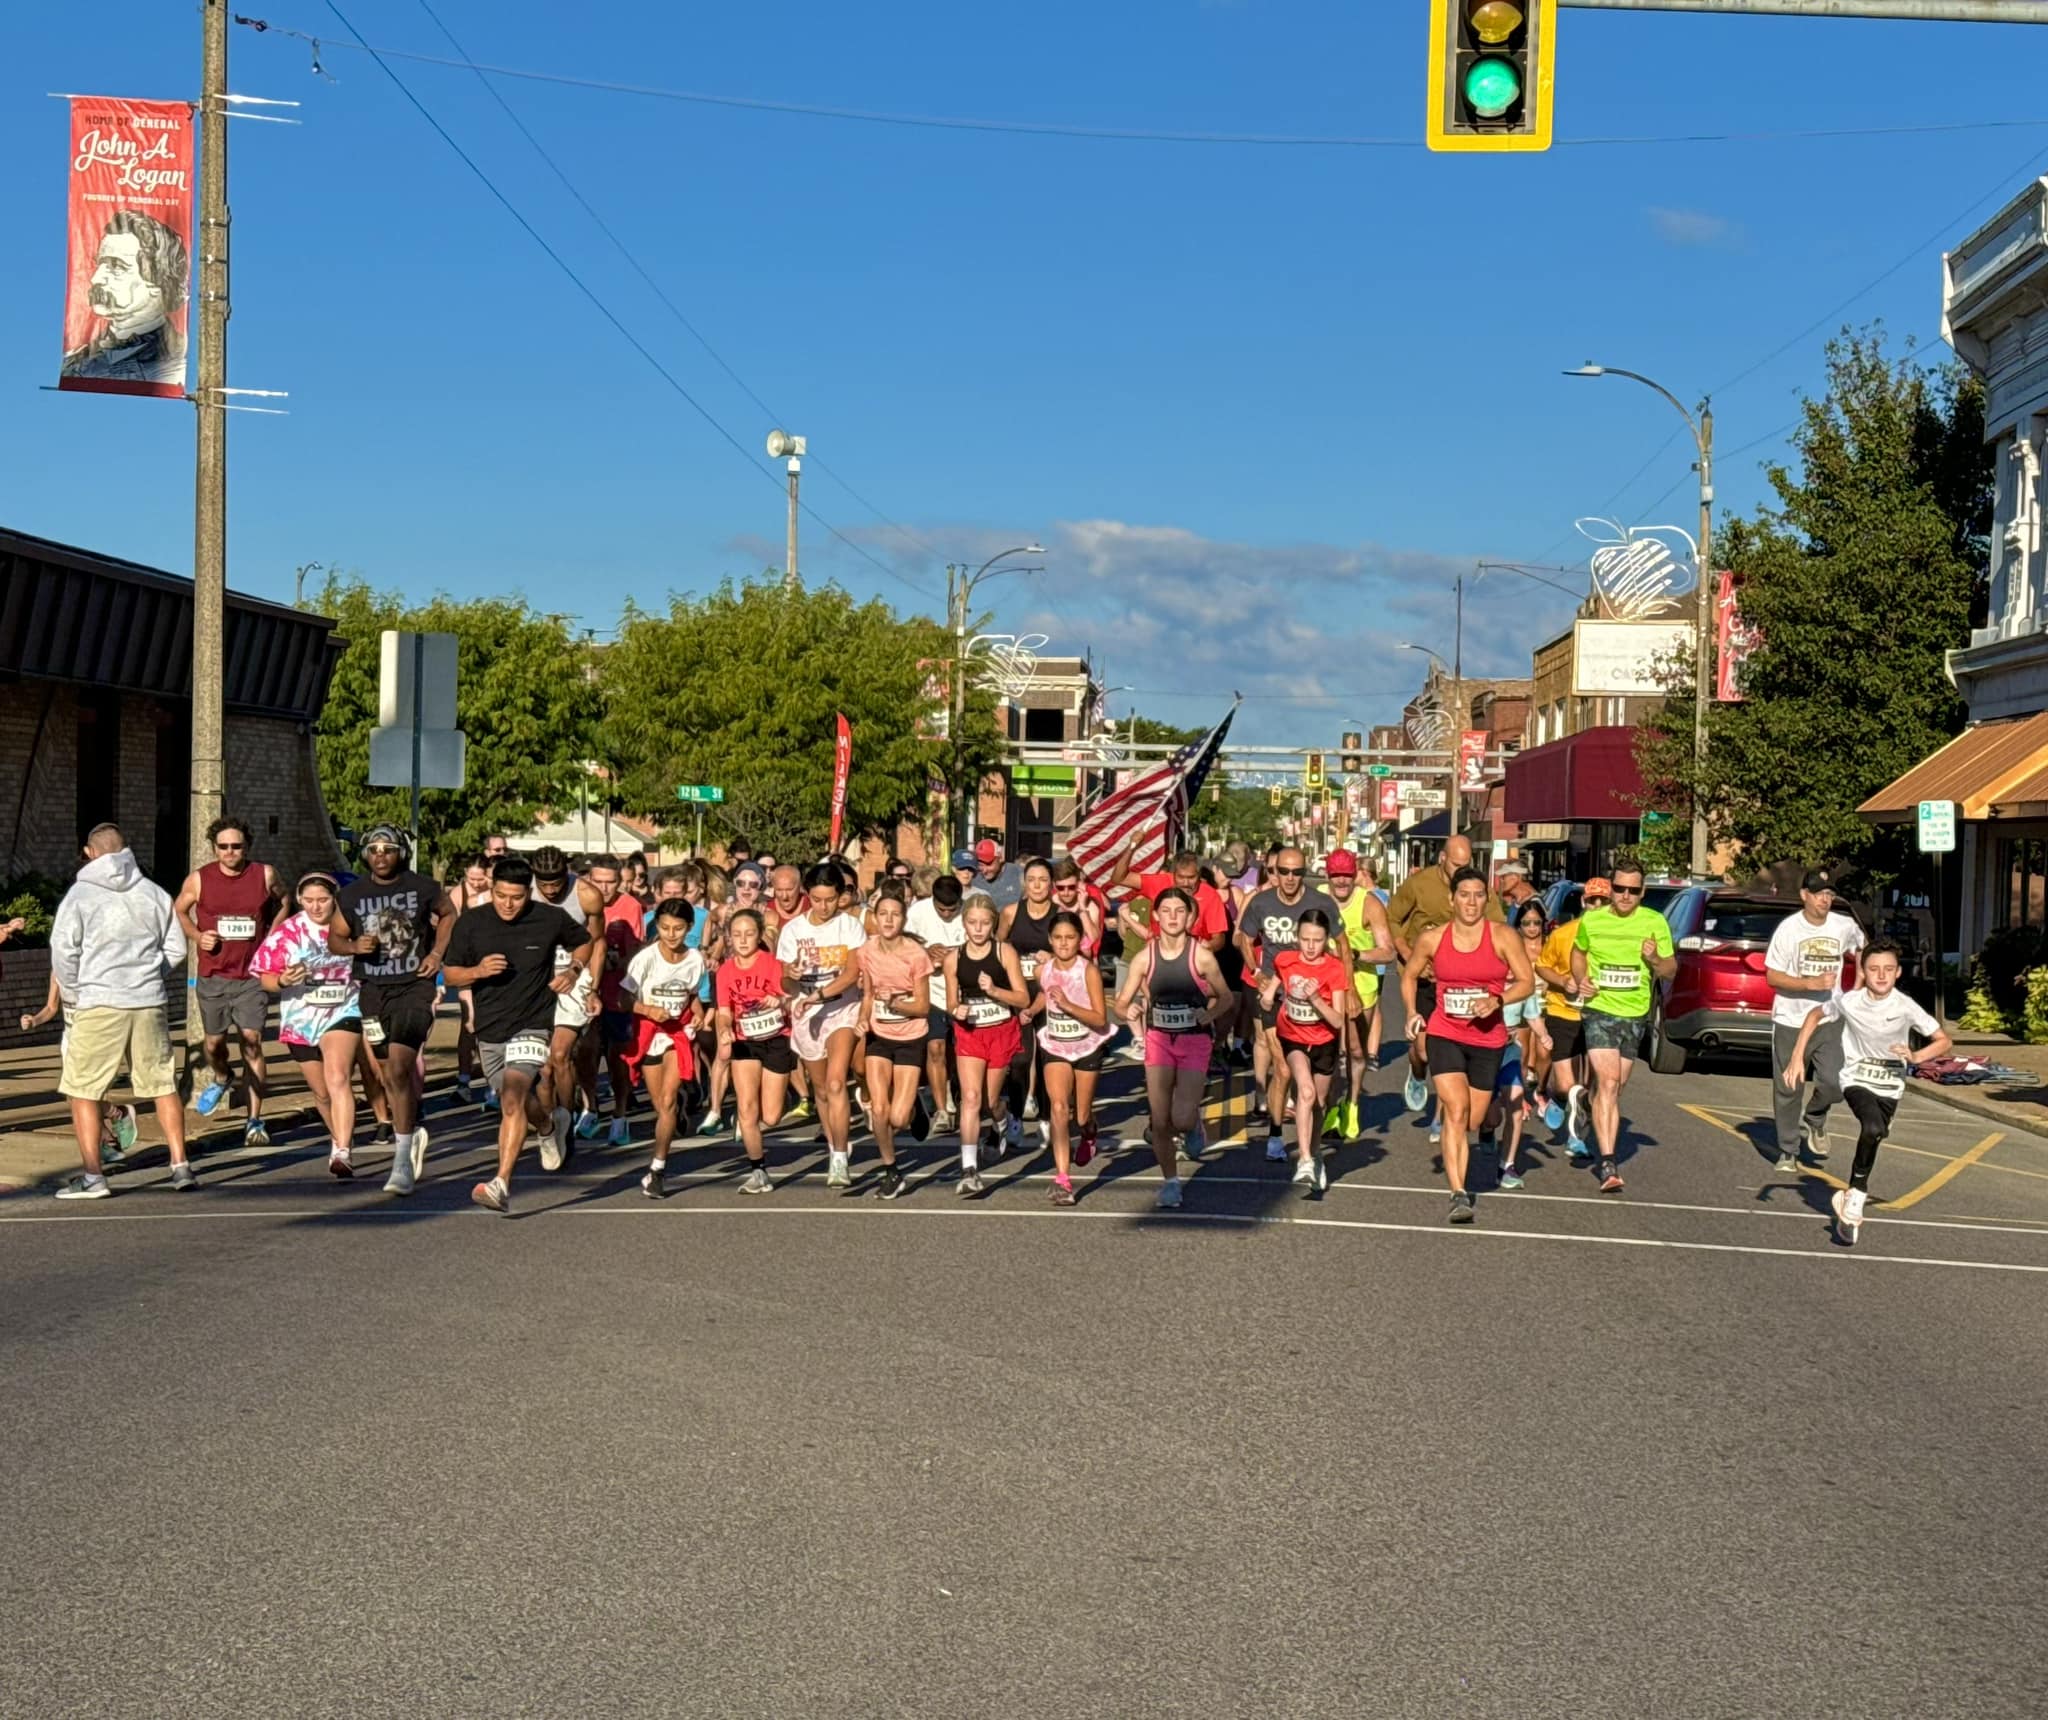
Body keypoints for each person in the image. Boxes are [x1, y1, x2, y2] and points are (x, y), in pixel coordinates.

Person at [49, 823, 194, 1199]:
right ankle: (180, 1164)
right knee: (162, 1083)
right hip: (147, 1000)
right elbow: (176, 948)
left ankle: (94, 1176)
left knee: (83, 1087)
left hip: (99, 999)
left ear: (90, 852)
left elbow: (63, 950)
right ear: (126, 849)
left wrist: (74, 992)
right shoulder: (152, 892)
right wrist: (150, 975)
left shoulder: (80, 895)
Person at [444, 855, 595, 1215]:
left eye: (516, 897)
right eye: (500, 896)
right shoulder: (472, 923)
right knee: (516, 1101)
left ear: (528, 893)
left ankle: (500, 1184)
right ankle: (548, 1124)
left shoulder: (549, 919)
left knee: (512, 1095)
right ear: (491, 890)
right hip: (491, 1027)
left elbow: (585, 941)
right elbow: (450, 975)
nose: (508, 904)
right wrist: (477, 971)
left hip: (534, 1021)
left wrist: (574, 970)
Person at [1782, 939, 1951, 1246]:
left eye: (1888, 969)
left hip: (1891, 1082)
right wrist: (1797, 1058)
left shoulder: (1905, 1006)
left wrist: (1915, 1057)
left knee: (1876, 1133)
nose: (1881, 976)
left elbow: (1943, 1040)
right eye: (1874, 969)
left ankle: (1847, 1206)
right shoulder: (1850, 1001)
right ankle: (1856, 1196)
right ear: (1863, 972)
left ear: (1899, 972)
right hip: (1856, 1076)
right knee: (1872, 1127)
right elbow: (1813, 1016)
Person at [1400, 866, 1535, 1224]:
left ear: (1486, 898)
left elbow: (1527, 982)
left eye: (1478, 895)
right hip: (1445, 1033)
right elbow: (1410, 974)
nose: (1471, 902)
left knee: (1474, 1119)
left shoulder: (1504, 936)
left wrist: (1498, 1001)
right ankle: (1458, 1192)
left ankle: (1484, 1130)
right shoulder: (1433, 939)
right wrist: (1412, 1012)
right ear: (1452, 899)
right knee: (1455, 1110)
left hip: (1488, 1039)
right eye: (1464, 895)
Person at [329, 826, 455, 1195]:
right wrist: (353, 945)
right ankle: (410, 1132)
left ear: (402, 852)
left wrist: (436, 955)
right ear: (365, 854)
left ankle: (401, 1162)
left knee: (400, 1066)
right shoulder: (351, 895)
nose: (381, 855)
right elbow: (334, 937)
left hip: (415, 987)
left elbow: (449, 913)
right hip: (372, 992)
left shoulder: (423, 887)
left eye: (388, 849)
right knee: (386, 1071)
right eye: (373, 849)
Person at [250, 874, 375, 1186]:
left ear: (335, 898)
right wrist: (282, 981)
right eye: (309, 900)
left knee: (338, 1077)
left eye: (323, 899)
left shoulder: (351, 925)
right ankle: (336, 1137)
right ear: (299, 900)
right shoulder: (288, 933)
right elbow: (264, 976)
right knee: (321, 1092)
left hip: (344, 1009)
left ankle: (344, 1150)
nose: (316, 906)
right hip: (301, 1018)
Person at [173, 815, 286, 1146]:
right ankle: (222, 1076)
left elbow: (284, 901)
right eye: (223, 847)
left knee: (251, 1041)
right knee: (213, 1045)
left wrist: (273, 937)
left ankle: (254, 1120)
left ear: (246, 846)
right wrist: (197, 936)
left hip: (252, 975)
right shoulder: (199, 879)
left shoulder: (264, 874)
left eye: (236, 846)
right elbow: (178, 910)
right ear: (214, 848)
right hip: (214, 975)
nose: (230, 852)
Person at [1116, 888, 1232, 1210]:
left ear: (1189, 917)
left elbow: (1227, 998)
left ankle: (1193, 1123)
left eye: (1179, 911)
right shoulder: (1145, 958)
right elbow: (1121, 1003)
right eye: (1165, 910)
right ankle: (1170, 1182)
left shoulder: (1202, 956)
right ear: (1155, 916)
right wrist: (1129, 1011)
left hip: (1194, 1040)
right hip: (1158, 1040)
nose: (1172, 917)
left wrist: (1207, 1015)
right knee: (1160, 1118)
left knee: (1180, 1117)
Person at [1569, 861, 1678, 1196]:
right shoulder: (1593, 919)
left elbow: (1671, 970)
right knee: (1610, 1080)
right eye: (1620, 889)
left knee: (1615, 1089)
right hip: (1599, 1010)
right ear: (1611, 888)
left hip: (1634, 1014)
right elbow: (1578, 953)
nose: (1626, 896)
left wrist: (1655, 959)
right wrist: (1580, 979)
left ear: (1642, 892)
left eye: (1633, 890)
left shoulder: (1655, 922)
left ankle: (1587, 1101)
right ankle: (1608, 1162)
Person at [1237, 845, 1350, 1164]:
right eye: (1282, 871)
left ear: (1304, 873)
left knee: (1318, 1081)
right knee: (1282, 1066)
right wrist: (1258, 973)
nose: (1288, 878)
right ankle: (1275, 1133)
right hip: (1277, 993)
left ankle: (1310, 1133)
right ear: (1273, 871)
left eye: (1296, 872)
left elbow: (1342, 942)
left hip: (1316, 994)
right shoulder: (1261, 902)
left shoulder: (1320, 903)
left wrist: (1348, 988)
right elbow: (1245, 938)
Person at [1388, 835, 1505, 1125]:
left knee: (1453, 1047)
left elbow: (1499, 927)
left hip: (1461, 984)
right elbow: (1392, 918)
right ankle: (1417, 1073)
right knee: (1423, 1051)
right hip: (1424, 980)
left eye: (1466, 864)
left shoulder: (1477, 889)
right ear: (1442, 858)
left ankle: (1447, 1115)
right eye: (1456, 864)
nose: (1460, 870)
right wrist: (1407, 952)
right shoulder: (1419, 884)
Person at [1765, 869, 1866, 1172]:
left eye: (1829, 894)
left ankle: (1816, 1116)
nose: (1825, 899)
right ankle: (1788, 1150)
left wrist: (1859, 981)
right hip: (1790, 1018)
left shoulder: (1843, 925)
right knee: (1789, 1086)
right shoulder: (1789, 929)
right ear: (1804, 895)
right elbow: (1772, 976)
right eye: (1819, 893)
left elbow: (1862, 946)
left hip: (1829, 1017)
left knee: (1835, 1081)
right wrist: (1809, 984)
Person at [778, 863, 867, 1187]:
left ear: (839, 896)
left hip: (842, 1009)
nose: (824, 906)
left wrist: (819, 993)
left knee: (835, 1083)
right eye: (817, 899)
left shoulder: (850, 926)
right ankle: (834, 1146)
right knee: (820, 1090)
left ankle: (841, 1159)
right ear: (808, 896)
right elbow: (784, 981)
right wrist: (794, 980)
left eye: (830, 899)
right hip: (806, 1014)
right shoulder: (793, 931)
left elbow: (851, 974)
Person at [1260, 908, 1351, 1196]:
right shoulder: (1285, 960)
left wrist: (1314, 999)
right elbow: (1272, 990)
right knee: (1306, 1091)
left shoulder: (1334, 968)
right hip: (1293, 1037)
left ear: (1327, 940)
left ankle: (1315, 1156)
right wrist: (1266, 996)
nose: (1311, 946)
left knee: (1319, 1103)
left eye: (1318, 940)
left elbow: (1338, 1019)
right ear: (1297, 937)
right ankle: (1305, 1159)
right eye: (1305, 939)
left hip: (1324, 1041)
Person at [946, 892, 1030, 1198]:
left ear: (993, 923)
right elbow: (951, 1001)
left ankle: (1001, 1119)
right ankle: (969, 1169)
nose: (978, 929)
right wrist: (957, 1010)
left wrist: (994, 990)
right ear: (964, 923)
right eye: (972, 923)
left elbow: (1022, 998)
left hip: (1001, 1031)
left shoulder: (1004, 952)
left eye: (984, 923)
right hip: (970, 1033)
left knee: (988, 1101)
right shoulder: (953, 958)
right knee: (970, 1098)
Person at [528, 846, 606, 1164]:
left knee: (560, 1055)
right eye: (543, 883)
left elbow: (597, 942)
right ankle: (551, 1125)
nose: (550, 889)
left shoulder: (586, 894)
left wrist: (592, 988)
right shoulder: (523, 893)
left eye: (556, 882)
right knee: (542, 1069)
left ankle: (568, 1119)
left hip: (575, 976)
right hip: (537, 980)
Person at [624, 899, 705, 1200]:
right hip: (649, 1033)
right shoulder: (645, 959)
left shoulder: (694, 959)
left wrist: (697, 1013)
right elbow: (621, 999)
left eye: (679, 928)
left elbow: (693, 996)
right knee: (660, 1106)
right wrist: (647, 1009)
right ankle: (677, 1110)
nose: (672, 934)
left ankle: (657, 1169)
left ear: (689, 928)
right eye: (665, 928)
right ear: (656, 926)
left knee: (668, 1101)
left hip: (677, 1034)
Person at [857, 888, 935, 1200]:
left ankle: (915, 1108)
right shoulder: (867, 950)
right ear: (875, 918)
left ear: (903, 919)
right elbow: (867, 995)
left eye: (895, 914)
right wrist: (863, 1019)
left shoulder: (916, 954)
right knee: (879, 1109)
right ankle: (891, 1170)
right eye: (883, 914)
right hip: (879, 1036)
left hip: (910, 1036)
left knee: (898, 1118)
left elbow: (924, 1007)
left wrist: (898, 1004)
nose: (888, 920)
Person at [61, 209, 189, 386]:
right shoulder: (74, 363)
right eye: (100, 264)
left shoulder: (177, 360)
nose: (96, 279)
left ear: (159, 278)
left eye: (117, 266)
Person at [1036, 909, 1111, 1204]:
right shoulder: (1044, 970)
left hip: (1087, 1045)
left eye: (1069, 938)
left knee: (1080, 1115)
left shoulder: (1088, 971)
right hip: (1055, 1046)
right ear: (1050, 940)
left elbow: (1100, 1018)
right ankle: (1063, 1179)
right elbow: (1045, 994)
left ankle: (1090, 1132)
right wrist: (1030, 1010)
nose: (1063, 944)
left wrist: (1067, 1005)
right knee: (1058, 1108)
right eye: (1057, 938)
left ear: (1080, 940)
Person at [1325, 850, 1400, 1141]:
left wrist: (1354, 954)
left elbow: (1388, 952)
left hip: (1362, 984)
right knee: (1329, 1051)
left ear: (1355, 874)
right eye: (1335, 875)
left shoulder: (1368, 903)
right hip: (1326, 984)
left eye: (1346, 874)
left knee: (1356, 1051)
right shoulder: (1319, 898)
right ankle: (1331, 1107)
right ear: (1327, 876)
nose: (1341, 881)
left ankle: (1352, 1103)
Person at [714, 907, 791, 1193]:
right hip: (744, 1041)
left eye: (749, 934)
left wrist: (779, 1000)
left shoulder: (772, 964)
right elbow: (724, 1010)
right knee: (747, 1109)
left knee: (770, 1116)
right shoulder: (725, 971)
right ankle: (758, 1170)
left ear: (759, 935)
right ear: (729, 938)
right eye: (736, 935)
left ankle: (763, 1116)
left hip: (775, 1038)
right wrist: (724, 1028)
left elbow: (790, 994)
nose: (743, 940)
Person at [1534, 877, 1607, 1161]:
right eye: (1592, 900)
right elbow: (1542, 966)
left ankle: (1578, 1138)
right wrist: (1564, 980)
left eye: (1603, 901)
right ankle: (1556, 1096)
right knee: (1567, 1086)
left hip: (1599, 1015)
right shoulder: (1564, 934)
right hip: (1563, 1012)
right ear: (1583, 902)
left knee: (1592, 1088)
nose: (1597, 905)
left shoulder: (1615, 936)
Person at [584, 855, 647, 1148]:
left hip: (617, 992)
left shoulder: (631, 906)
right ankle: (590, 1107)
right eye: (598, 882)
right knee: (583, 1053)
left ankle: (620, 1116)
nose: (604, 889)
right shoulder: (579, 901)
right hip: (584, 991)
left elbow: (637, 953)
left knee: (617, 1058)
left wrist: (616, 960)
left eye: (611, 883)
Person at [997, 858, 1059, 1141]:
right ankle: (1016, 1117)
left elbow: (1075, 952)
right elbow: (997, 949)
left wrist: (1055, 956)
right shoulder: (1011, 912)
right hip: (1020, 992)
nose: (1037, 886)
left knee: (1048, 1057)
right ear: (1024, 883)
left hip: (1051, 995)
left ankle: (1047, 1118)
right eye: (1031, 880)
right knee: (1020, 1059)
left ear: (1051, 884)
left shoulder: (1060, 915)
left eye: (1043, 880)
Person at [1493, 899, 1552, 1190]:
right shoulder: (1485, 980)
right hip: (1481, 1053)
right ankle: (1486, 1122)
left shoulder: (1522, 984)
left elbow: (1533, 1015)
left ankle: (1508, 1166)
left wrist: (1543, 1035)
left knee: (1516, 1108)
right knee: (1486, 1115)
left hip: (1509, 1053)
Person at [907, 874, 968, 1132]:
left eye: (951, 909)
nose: (946, 913)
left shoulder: (972, 909)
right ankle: (942, 1110)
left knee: (960, 1053)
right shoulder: (918, 912)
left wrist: (954, 953)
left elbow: (985, 942)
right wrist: (927, 951)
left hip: (963, 992)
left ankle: (958, 1093)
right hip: (931, 991)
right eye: (940, 908)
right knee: (935, 1048)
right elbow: (906, 943)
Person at [1109, 842, 1229, 955]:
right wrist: (1132, 846)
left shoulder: (1210, 895)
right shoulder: (1160, 882)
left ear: (1199, 874)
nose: (1186, 883)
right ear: (1173, 873)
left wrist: (1206, 947)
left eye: (1191, 877)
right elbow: (1119, 878)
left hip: (1194, 959)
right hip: (1158, 956)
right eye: (1181, 877)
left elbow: (1219, 938)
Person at [452, 854, 495, 1104]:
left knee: (491, 1024)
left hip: (493, 964)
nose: (477, 883)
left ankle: (494, 1083)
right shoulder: (459, 895)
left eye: (481, 879)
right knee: (469, 1023)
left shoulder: (495, 892)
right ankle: (464, 1080)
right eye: (472, 878)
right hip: (468, 966)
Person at [971, 838, 1024, 910]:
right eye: (980, 864)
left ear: (1000, 858)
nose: (984, 870)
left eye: (988, 864)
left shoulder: (1019, 874)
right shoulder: (973, 878)